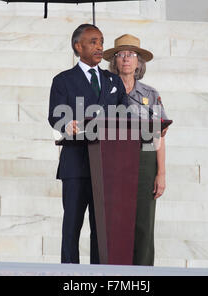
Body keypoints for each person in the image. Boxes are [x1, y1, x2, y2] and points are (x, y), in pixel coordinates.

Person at [48, 24, 128, 264]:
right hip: (76, 165)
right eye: (93, 41)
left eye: (101, 41)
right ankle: (68, 272)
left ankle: (100, 272)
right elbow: (55, 114)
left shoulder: (113, 80)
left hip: (106, 165)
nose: (99, 46)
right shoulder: (63, 80)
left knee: (101, 227)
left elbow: (124, 115)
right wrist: (67, 124)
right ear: (78, 46)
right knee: (72, 223)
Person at [103, 34, 169, 266]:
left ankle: (144, 273)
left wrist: (161, 173)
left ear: (139, 62)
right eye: (121, 55)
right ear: (115, 61)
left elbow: (159, 134)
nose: (126, 59)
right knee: (116, 221)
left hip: (145, 158)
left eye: (131, 55)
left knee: (143, 221)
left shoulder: (150, 94)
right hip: (114, 158)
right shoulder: (104, 90)